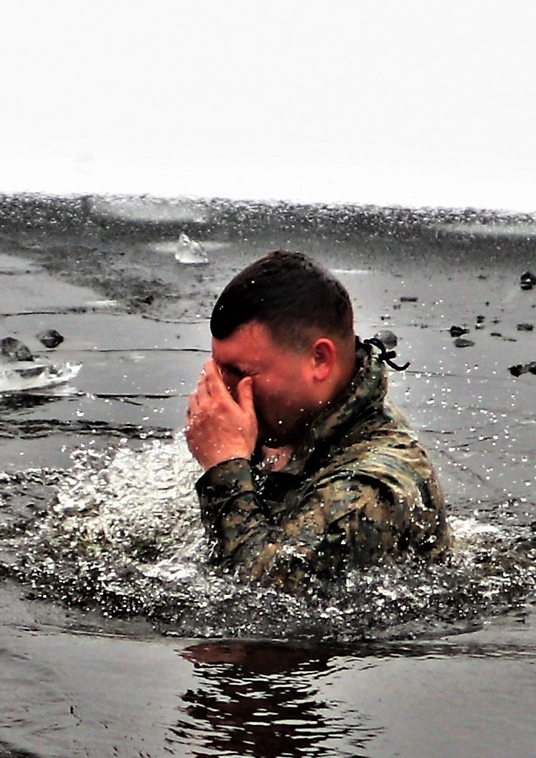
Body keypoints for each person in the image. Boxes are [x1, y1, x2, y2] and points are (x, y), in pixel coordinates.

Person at [184, 250, 450, 592]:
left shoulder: (368, 492)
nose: (220, 392)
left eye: (241, 373)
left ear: (319, 360)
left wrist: (225, 468)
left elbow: (263, 596)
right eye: (218, 370)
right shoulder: (301, 423)